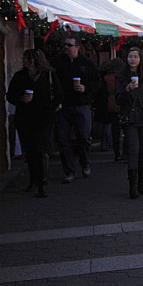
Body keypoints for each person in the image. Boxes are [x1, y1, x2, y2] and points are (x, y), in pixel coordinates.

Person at [6, 49, 63, 198]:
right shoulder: (20, 76)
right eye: (26, 59)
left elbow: (59, 94)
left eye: (30, 59)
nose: (28, 62)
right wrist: (21, 99)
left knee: (41, 149)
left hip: (45, 118)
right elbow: (10, 95)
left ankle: (42, 182)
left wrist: (49, 108)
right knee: (30, 150)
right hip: (25, 118)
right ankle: (33, 180)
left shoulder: (48, 75)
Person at [51, 34, 102, 184]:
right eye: (64, 45)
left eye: (69, 45)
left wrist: (85, 88)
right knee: (63, 139)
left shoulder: (86, 63)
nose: (66, 48)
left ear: (77, 47)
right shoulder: (57, 62)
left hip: (82, 104)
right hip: (63, 106)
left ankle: (85, 163)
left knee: (84, 137)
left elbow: (97, 82)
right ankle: (69, 171)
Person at [115, 47, 143, 199]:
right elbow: (118, 100)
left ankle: (141, 183)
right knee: (134, 150)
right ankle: (132, 186)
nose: (132, 59)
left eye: (135, 57)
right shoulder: (121, 77)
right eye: (130, 56)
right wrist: (127, 89)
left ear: (140, 59)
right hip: (130, 118)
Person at [96, 58, 126, 161]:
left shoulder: (106, 78)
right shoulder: (122, 77)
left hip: (110, 103)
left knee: (113, 128)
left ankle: (115, 152)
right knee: (124, 128)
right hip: (120, 102)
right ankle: (124, 153)